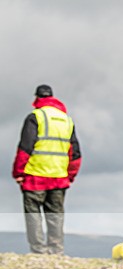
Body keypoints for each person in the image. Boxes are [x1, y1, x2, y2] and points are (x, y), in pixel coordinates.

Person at [12, 84, 82, 255]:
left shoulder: (35, 117)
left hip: (35, 175)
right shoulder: (67, 120)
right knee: (55, 214)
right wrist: (70, 175)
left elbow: (25, 148)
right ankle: (56, 249)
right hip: (59, 176)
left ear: (37, 98)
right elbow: (76, 153)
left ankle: (38, 250)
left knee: (33, 214)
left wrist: (18, 173)